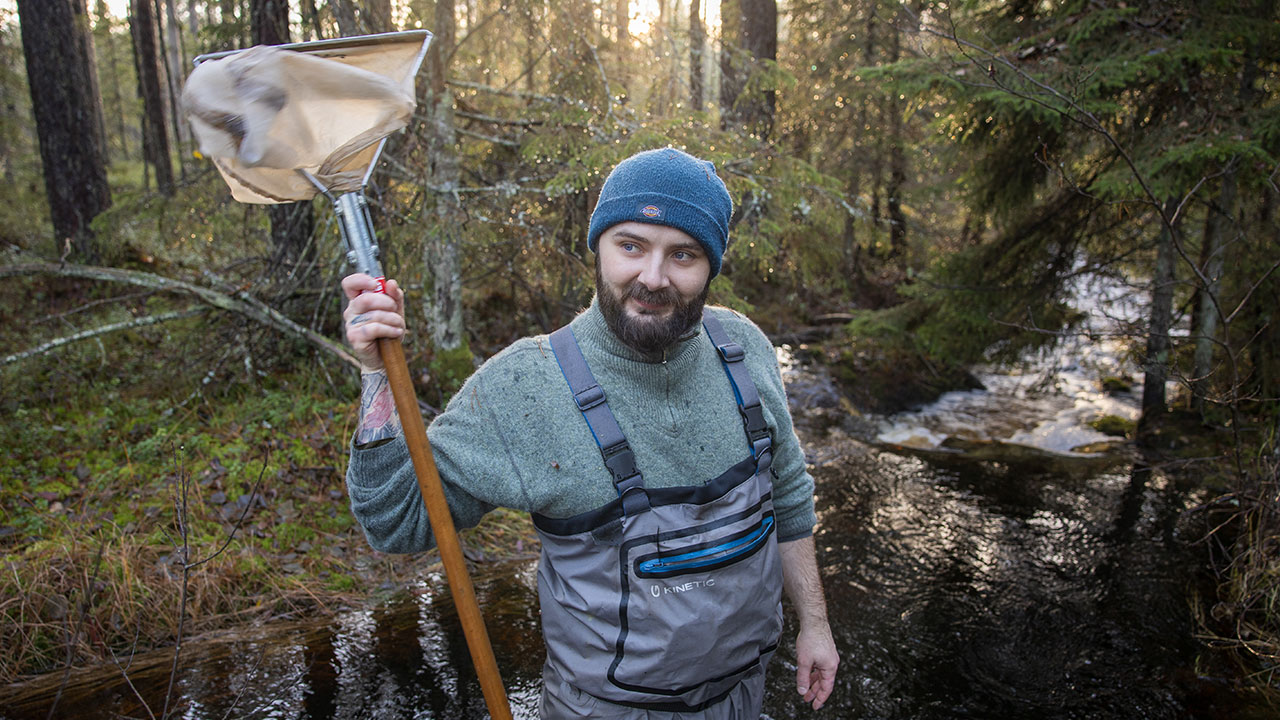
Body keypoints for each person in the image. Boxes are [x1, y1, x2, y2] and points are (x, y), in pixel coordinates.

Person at [341, 147, 839, 718]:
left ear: (711, 266)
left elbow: (789, 494)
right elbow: (394, 521)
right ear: (597, 247)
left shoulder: (744, 348)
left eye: (683, 254)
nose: (653, 277)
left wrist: (815, 626)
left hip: (744, 696)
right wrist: (378, 376)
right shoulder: (526, 386)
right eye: (630, 245)